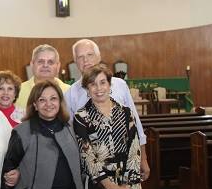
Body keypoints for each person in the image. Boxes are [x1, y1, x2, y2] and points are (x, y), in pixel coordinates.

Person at [64, 39, 149, 181]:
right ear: (75, 62)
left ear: (98, 57)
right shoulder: (71, 93)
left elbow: (136, 126)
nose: (86, 60)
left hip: (126, 164)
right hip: (93, 171)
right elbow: (71, 136)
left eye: (90, 55)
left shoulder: (120, 85)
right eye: (80, 57)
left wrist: (143, 158)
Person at [0, 80, 84, 189]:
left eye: (53, 99)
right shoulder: (21, 132)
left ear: (60, 102)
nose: (48, 104)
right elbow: (10, 167)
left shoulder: (71, 128)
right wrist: (18, 173)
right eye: (42, 100)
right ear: (35, 105)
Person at [73, 65, 142, 189]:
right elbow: (87, 157)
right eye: (93, 84)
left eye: (103, 82)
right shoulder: (81, 117)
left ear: (109, 85)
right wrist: (111, 188)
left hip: (128, 188)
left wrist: (125, 186)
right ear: (87, 88)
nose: (99, 88)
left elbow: (134, 151)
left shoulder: (126, 112)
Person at [15, 44, 70, 114]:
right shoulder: (17, 91)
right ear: (32, 64)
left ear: (58, 66)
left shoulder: (70, 92)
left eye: (50, 62)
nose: (45, 65)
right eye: (40, 61)